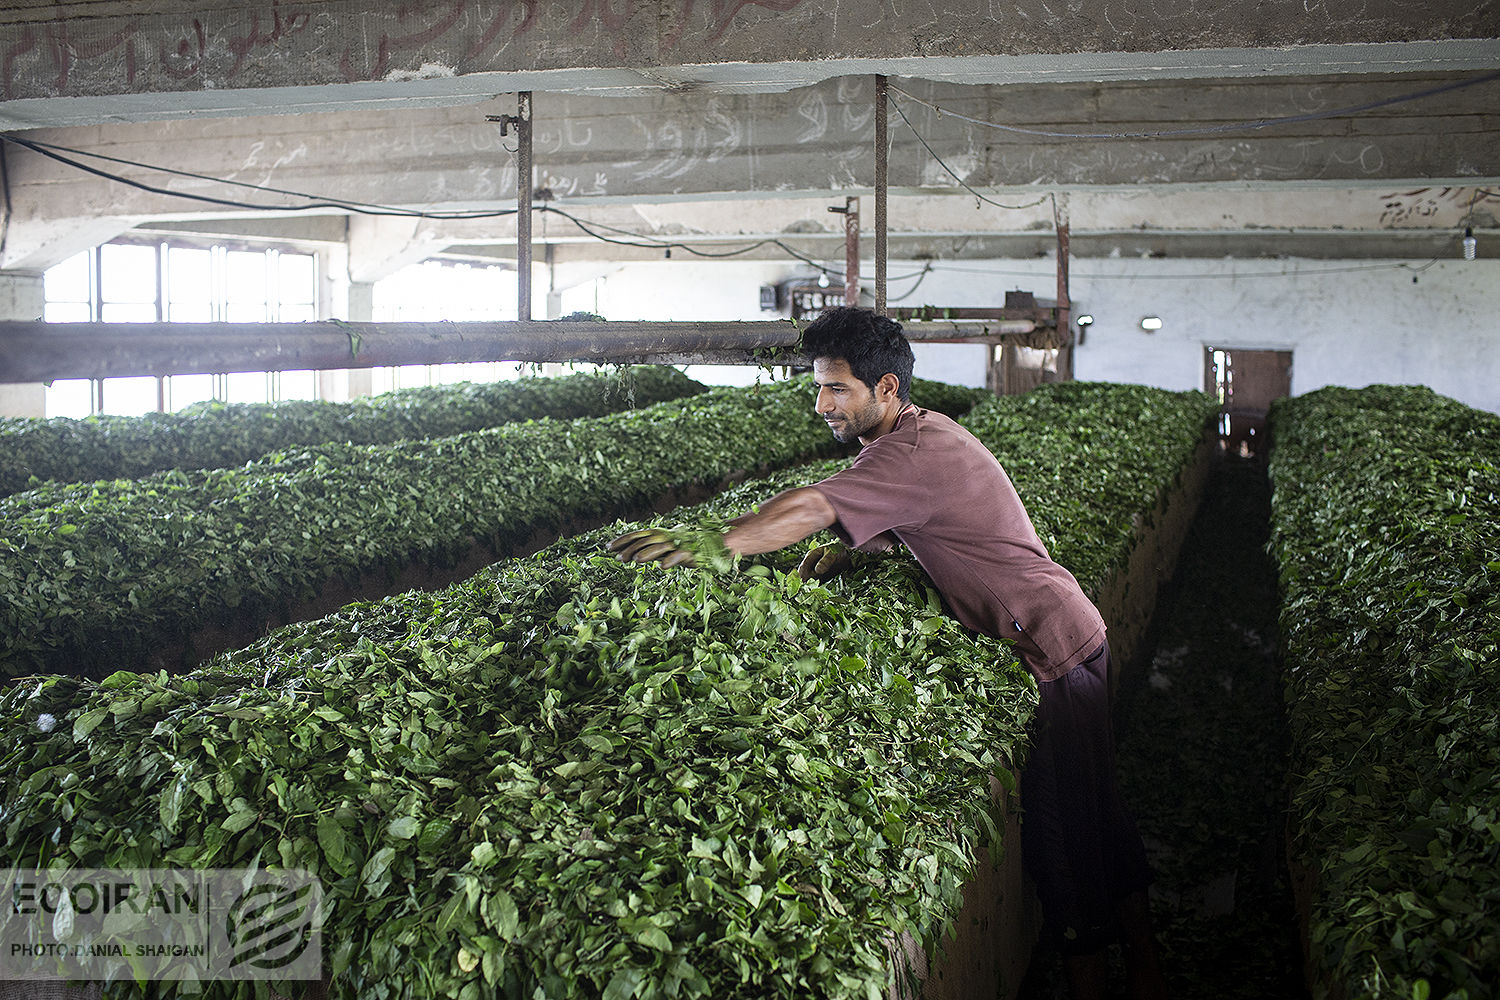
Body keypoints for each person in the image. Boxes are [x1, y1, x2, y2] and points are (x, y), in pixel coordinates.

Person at [609, 306, 1166, 1000]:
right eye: (818, 387)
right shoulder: (919, 435)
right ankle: (1146, 968)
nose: (821, 405)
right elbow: (914, 522)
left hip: (1051, 650)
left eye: (836, 389)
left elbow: (814, 502)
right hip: (1069, 629)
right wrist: (851, 554)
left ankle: (1115, 978)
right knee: (1100, 814)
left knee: (1068, 841)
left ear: (887, 389)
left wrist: (711, 546)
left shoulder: (910, 453)